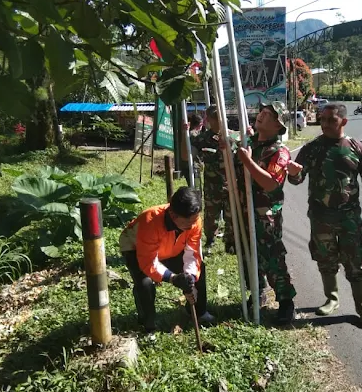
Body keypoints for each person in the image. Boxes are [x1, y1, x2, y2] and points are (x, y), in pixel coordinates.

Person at [287, 103, 362, 324]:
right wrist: (293, 174)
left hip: (349, 217)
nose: (325, 124)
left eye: (331, 120)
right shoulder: (312, 149)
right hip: (321, 216)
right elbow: (297, 178)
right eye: (322, 119)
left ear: (344, 122)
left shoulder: (356, 148)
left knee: (357, 260)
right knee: (325, 259)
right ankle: (332, 299)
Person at [227, 102, 297, 325]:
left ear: (279, 126)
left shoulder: (279, 152)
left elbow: (270, 184)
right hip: (241, 210)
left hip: (264, 215)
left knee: (272, 258)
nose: (262, 115)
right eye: (262, 112)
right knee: (247, 254)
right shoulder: (248, 144)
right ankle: (257, 293)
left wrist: (247, 162)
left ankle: (286, 302)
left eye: (269, 115)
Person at [119, 187, 214, 332]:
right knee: (144, 283)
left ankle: (199, 312)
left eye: (195, 220)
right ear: (173, 215)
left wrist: (190, 277)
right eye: (188, 222)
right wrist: (174, 278)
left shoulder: (194, 221)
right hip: (136, 248)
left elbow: (192, 251)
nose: (193, 225)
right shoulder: (149, 221)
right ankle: (148, 324)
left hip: (171, 248)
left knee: (200, 269)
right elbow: (148, 263)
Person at [186, 106, 235, 254]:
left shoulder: (233, 137)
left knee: (231, 216)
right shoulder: (203, 138)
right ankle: (210, 240)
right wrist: (185, 134)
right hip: (212, 185)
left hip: (231, 184)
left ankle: (230, 243)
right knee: (210, 216)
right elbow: (187, 155)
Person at [180, 113, 204, 188]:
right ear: (200, 124)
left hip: (188, 165)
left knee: (194, 185)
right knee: (196, 187)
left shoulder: (188, 133)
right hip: (192, 165)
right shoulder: (194, 135)